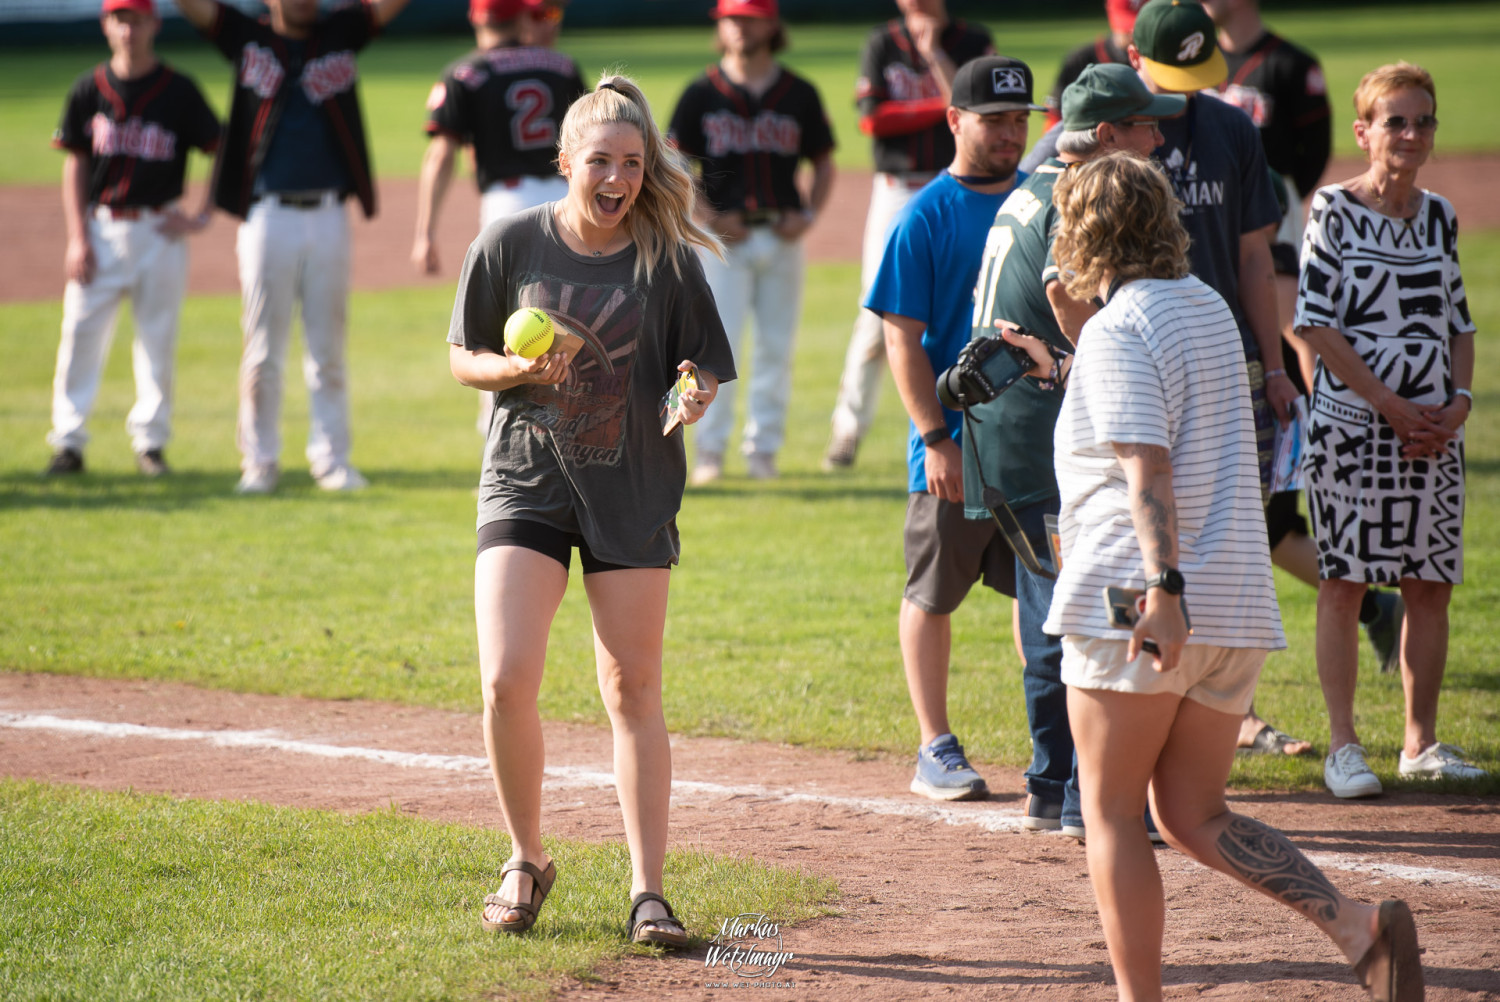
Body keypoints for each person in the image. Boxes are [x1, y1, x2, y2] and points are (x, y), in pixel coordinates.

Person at [1021, 149, 1423, 1002]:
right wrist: (1077, 339)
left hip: (1139, 598)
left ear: (1082, 233)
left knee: (1112, 815)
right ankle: (1360, 931)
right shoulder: (1204, 307)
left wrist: (1162, 588)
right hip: (1236, 601)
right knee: (1194, 815)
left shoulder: (1122, 327)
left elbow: (1146, 465)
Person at [446, 75, 736, 945]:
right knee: (505, 678)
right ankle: (526, 859)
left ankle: (649, 892)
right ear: (564, 159)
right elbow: (464, 356)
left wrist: (695, 390)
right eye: (601, 161)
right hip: (526, 480)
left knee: (632, 687)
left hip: (633, 484)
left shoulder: (668, 259)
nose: (617, 179)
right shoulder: (510, 242)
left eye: (633, 164)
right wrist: (512, 371)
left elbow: (705, 367)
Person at [963, 62, 1184, 836]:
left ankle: (1054, 787)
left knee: (1058, 612)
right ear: (1109, 136)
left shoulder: (1037, 183)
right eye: (1146, 126)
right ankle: (1081, 792)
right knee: (1086, 613)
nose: (1159, 138)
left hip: (1016, 428)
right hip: (1040, 431)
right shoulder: (1073, 201)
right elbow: (1066, 302)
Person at [1129, 0, 1313, 757]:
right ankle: (1143, 700)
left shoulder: (1232, 129)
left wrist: (1275, 364)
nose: (1182, 96)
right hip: (1139, 358)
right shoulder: (1108, 128)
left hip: (1227, 360)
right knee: (1148, 532)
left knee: (1233, 537)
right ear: (1131, 58)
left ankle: (1229, 710)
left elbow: (1252, 260)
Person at [1295, 63, 1484, 798]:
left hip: (1434, 434)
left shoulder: (1438, 214)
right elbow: (1315, 320)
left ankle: (1419, 742)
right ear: (1364, 131)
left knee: (1429, 583)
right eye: (1396, 121)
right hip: (1354, 430)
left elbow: (1459, 321)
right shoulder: (1333, 210)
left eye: (1423, 120)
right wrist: (1390, 405)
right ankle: (1344, 747)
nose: (1411, 134)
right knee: (1345, 581)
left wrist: (1458, 402)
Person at [1203, 0, 1405, 679]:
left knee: (1246, 523)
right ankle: (1373, 607)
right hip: (1233, 350)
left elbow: (1292, 315)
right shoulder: (1200, 60)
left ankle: (1239, 703)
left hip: (1261, 298)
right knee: (1260, 525)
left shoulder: (1290, 67)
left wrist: (1317, 417)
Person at [864, 55, 1036, 801]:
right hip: (956, 444)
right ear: (955, 120)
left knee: (1046, 590)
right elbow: (900, 336)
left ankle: (1053, 742)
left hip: (1034, 441)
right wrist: (935, 438)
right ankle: (934, 746)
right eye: (994, 119)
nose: (1009, 132)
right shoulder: (925, 215)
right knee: (934, 591)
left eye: (1019, 119)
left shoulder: (1038, 201)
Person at [175, 0, 414, 494]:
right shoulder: (246, 37)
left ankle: (332, 461)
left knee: (327, 348)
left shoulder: (341, 31)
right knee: (262, 349)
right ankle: (259, 463)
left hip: (329, 214)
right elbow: (195, 10)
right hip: (267, 215)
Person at [44, 0, 219, 479]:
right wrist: (77, 236)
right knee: (79, 336)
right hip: (99, 229)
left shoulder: (179, 91)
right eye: (120, 19)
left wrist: (201, 215)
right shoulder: (88, 89)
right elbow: (75, 161)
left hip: (159, 231)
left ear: (154, 24)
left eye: (137, 18)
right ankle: (69, 442)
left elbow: (221, 147)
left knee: (156, 341)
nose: (128, 29)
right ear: (106, 26)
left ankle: (151, 443)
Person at [669, 0, 835, 484]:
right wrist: (707, 217)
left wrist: (808, 215)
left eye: (749, 16)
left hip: (781, 238)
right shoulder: (701, 93)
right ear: (719, 25)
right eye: (731, 17)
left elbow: (823, 162)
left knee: (775, 347)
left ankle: (763, 450)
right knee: (707, 350)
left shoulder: (798, 92)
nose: (739, 26)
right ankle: (709, 453)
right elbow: (675, 169)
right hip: (723, 243)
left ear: (772, 23)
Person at [822, 0, 992, 471]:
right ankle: (847, 429)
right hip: (898, 192)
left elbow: (979, 107)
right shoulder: (882, 42)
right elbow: (872, 120)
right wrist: (941, 107)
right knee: (877, 318)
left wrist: (936, 54)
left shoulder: (973, 42)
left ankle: (976, 425)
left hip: (961, 186)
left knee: (975, 304)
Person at [411, 0, 585, 437]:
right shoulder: (561, 67)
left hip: (508, 207)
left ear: (476, 19)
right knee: (575, 323)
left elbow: (441, 153)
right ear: (522, 17)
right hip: (568, 197)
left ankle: (500, 449)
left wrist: (425, 232)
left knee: (499, 333)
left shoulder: (465, 72)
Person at [1041, 0, 1142, 130]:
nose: (1133, 33)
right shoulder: (1082, 59)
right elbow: (1055, 114)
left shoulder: (1157, 61)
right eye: (1128, 28)